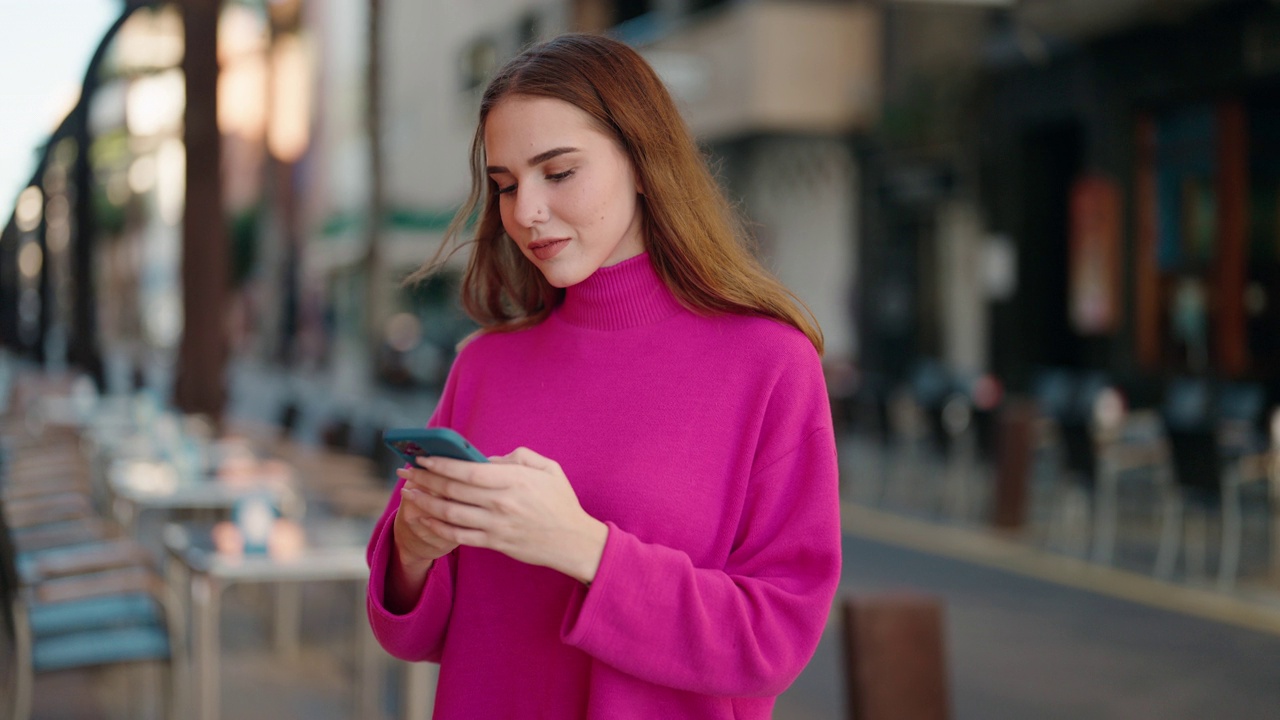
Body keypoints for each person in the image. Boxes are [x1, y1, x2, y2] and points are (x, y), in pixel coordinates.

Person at [366, 32, 842, 719]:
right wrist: (413, 547)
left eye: (557, 173)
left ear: (644, 163)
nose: (525, 211)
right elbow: (410, 629)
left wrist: (584, 547)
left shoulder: (768, 364)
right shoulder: (483, 366)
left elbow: (774, 640)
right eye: (504, 185)